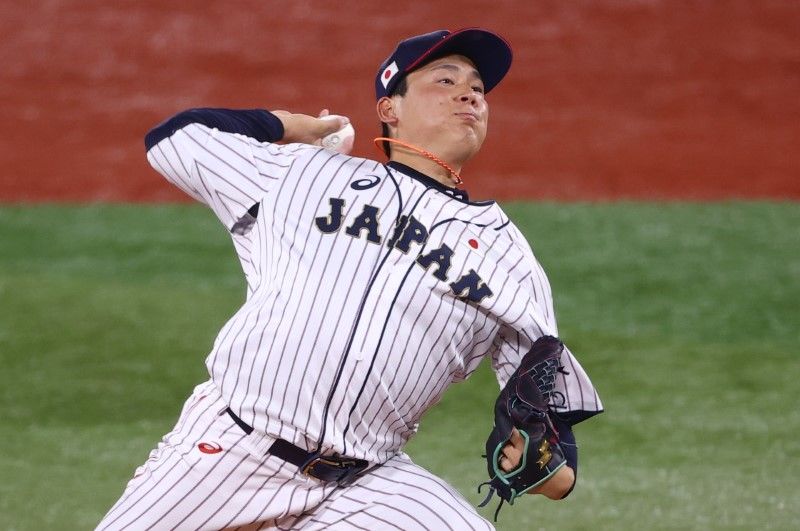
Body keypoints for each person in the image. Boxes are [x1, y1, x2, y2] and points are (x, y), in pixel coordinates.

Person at [97, 28, 602, 530]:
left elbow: (547, 417)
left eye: (477, 89)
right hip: (227, 451)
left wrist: (550, 461)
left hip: (366, 481)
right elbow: (176, 139)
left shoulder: (507, 254)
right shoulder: (302, 174)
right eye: (445, 80)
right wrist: (296, 127)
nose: (468, 93)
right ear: (390, 108)